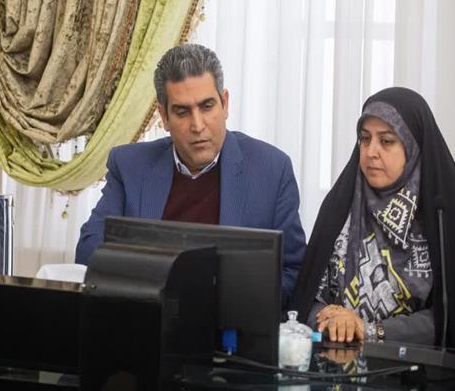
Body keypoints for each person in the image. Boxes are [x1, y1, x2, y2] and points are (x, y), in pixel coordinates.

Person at [75, 44, 306, 301]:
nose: (197, 126)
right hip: (147, 316)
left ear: (225, 104)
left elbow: (293, 273)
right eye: (182, 112)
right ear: (164, 116)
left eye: (207, 107)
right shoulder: (130, 166)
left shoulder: (271, 170)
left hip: (230, 322)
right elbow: (89, 251)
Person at [290, 87, 455, 351]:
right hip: (337, 360)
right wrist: (330, 319)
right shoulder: (339, 207)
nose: (371, 152)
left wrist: (371, 331)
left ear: (414, 146)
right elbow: (305, 299)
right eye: (365, 139)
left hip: (418, 367)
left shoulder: (445, 217)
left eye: (386, 141)